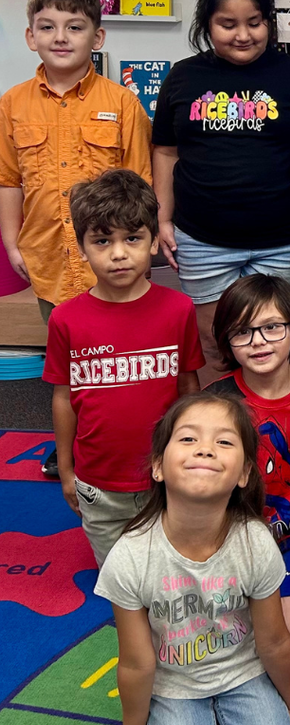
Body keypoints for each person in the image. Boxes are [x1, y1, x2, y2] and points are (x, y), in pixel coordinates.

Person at [95, 391, 290, 725]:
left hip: (244, 673)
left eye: (224, 442)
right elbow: (137, 664)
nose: (205, 449)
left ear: (243, 473)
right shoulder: (131, 557)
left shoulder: (255, 543)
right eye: (188, 439)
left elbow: (274, 641)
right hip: (173, 686)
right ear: (158, 466)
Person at [152, 0, 290, 382]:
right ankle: (226, 439)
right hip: (201, 238)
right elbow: (164, 149)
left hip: (285, 242)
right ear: (206, 25)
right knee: (218, 343)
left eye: (254, 23)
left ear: (268, 21)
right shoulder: (182, 76)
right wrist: (162, 217)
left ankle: (280, 438)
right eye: (227, 24)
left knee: (278, 345)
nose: (243, 35)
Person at [42, 170, 203, 567]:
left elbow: (190, 388)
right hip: (98, 482)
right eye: (102, 241)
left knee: (169, 570)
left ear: (152, 241)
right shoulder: (65, 319)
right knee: (118, 579)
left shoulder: (178, 309)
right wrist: (66, 470)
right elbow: (63, 398)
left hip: (165, 474)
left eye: (132, 238)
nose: (118, 253)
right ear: (81, 248)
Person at [0, 0, 151, 318]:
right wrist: (12, 244)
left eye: (75, 27)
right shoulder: (11, 104)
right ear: (30, 36)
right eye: (47, 27)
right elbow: (8, 181)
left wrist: (139, 253)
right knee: (66, 355)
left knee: (117, 355)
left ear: (97, 37)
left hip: (113, 260)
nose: (60, 38)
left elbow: (143, 186)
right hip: (47, 258)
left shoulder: (124, 103)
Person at [207, 274, 290, 648]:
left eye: (271, 327)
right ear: (228, 342)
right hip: (231, 537)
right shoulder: (216, 402)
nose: (258, 341)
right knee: (218, 632)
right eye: (242, 332)